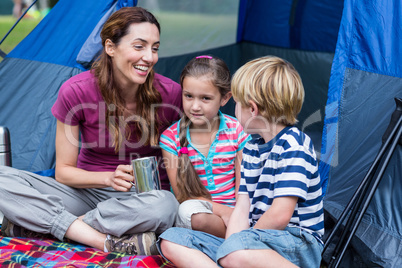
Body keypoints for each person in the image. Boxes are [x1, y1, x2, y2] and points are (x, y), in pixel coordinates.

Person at [0, 7, 182, 256]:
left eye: (155, 48)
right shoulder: (76, 90)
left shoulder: (170, 94)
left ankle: (50, 226)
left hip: (139, 201)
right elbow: (63, 173)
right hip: (84, 193)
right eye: (139, 46)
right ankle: (99, 239)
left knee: (167, 204)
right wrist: (107, 178)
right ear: (110, 47)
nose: (149, 57)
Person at [157, 56, 325, 267]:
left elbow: (280, 216)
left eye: (236, 103)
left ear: (252, 109)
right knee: (171, 240)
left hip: (296, 243)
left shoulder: (294, 144)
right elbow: (242, 207)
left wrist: (239, 244)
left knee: (235, 253)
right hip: (253, 240)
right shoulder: (253, 148)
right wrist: (232, 244)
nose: (234, 111)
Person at [159, 56, 250, 238]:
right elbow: (182, 195)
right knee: (191, 214)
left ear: (225, 98)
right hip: (197, 213)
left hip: (236, 213)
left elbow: (243, 190)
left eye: (205, 98)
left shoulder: (237, 131)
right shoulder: (170, 139)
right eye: (188, 96)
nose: (195, 106)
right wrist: (223, 212)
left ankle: (232, 237)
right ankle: (238, 238)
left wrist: (235, 214)